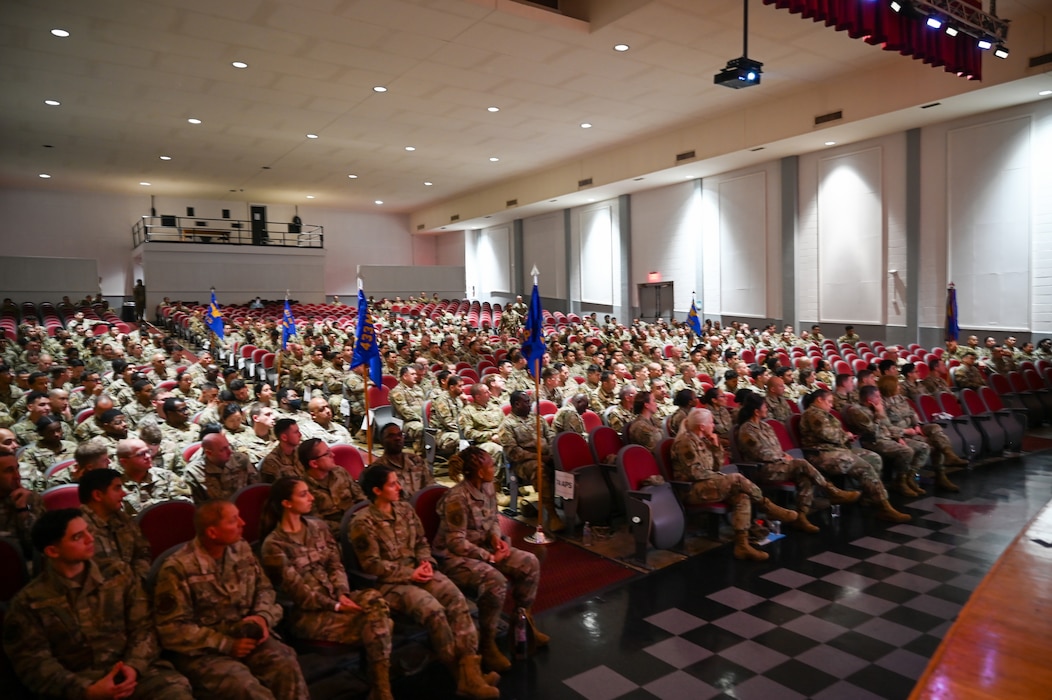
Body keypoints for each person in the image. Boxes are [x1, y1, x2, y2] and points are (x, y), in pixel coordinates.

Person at [4, 509, 194, 699]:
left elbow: (145, 627)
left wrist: (133, 666)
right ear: (52, 551)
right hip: (77, 684)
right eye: (78, 537)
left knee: (174, 692)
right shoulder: (30, 602)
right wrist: (86, 690)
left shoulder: (118, 574)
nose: (90, 539)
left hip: (135, 674)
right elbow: (34, 664)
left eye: (88, 530)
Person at [349, 465, 499, 699]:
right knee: (434, 611)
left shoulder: (405, 510)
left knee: (456, 600)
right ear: (377, 490)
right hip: (392, 584)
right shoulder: (362, 523)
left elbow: (420, 542)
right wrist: (410, 574)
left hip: (419, 571)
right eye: (392, 484)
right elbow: (372, 565)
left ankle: (472, 672)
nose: (400, 487)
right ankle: (459, 676)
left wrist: (426, 562)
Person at [153, 500, 309, 699]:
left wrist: (262, 618)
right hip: (205, 651)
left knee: (285, 663)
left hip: (248, 636)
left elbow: (265, 589)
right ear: (212, 532)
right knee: (245, 687)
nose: (243, 523)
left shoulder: (241, 549)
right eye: (233, 520)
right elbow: (172, 630)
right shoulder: (177, 568)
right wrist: (226, 644)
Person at [260, 477, 394, 700]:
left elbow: (335, 564)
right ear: (287, 503)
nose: (311, 497)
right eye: (303, 494)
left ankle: (381, 690)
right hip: (309, 615)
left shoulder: (318, 527)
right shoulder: (274, 546)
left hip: (339, 599)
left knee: (374, 599)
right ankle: (382, 690)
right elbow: (299, 593)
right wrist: (336, 605)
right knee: (382, 624)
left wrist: (342, 593)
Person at [434, 446, 546, 673]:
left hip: (485, 548)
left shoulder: (487, 487)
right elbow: (456, 543)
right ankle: (487, 642)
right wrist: (490, 557)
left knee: (530, 562)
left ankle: (523, 620)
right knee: (495, 581)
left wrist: (497, 538)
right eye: (490, 464)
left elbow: (494, 518)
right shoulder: (457, 498)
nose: (494, 467)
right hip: (454, 559)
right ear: (477, 470)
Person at [671, 408, 798, 561]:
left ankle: (742, 545)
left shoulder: (703, 440)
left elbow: (715, 467)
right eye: (711, 422)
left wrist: (716, 446)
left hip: (708, 485)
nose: (714, 425)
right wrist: (721, 477)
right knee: (737, 478)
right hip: (691, 490)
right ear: (701, 426)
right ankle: (767, 507)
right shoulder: (685, 442)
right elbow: (695, 473)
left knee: (742, 496)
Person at [734, 393, 860, 533]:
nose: (767, 408)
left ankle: (801, 516)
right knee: (801, 464)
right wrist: (783, 457)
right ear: (756, 411)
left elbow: (776, 448)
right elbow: (760, 453)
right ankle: (830, 490)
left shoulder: (766, 426)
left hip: (778, 465)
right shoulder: (746, 430)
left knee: (805, 476)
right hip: (762, 469)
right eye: (764, 406)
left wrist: (783, 455)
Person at [798, 389, 911, 522]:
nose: (831, 405)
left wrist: (846, 437)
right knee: (864, 467)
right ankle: (884, 507)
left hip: (837, 449)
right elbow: (828, 434)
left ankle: (868, 497)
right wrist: (846, 435)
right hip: (821, 454)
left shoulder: (822, 414)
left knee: (874, 458)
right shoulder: (813, 414)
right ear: (819, 400)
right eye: (828, 402)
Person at [843, 385, 930, 498]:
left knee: (923, 447)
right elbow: (872, 431)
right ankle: (900, 482)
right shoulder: (857, 411)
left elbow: (888, 426)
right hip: (873, 441)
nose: (880, 399)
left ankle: (910, 478)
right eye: (878, 397)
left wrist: (899, 435)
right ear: (870, 400)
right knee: (906, 451)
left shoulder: (875, 407)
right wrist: (879, 414)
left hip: (888, 437)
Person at [77, 467, 153, 580]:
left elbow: (143, 552)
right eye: (117, 489)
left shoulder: (122, 518)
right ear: (97, 495)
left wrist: (136, 580)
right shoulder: (77, 528)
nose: (123, 494)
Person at [298, 437, 365, 536]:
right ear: (314, 463)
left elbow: (360, 498)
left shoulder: (340, 472)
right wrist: (350, 526)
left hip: (358, 524)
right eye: (327, 454)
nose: (333, 455)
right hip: (330, 536)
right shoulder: (303, 489)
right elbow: (316, 523)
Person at [183, 432, 259, 503]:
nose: (230, 452)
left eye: (228, 446)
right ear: (209, 453)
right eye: (223, 449)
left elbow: (256, 488)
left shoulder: (240, 460)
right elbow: (197, 505)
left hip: (244, 505)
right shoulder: (194, 472)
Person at [369, 422, 435, 500]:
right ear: (382, 442)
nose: (397, 438)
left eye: (400, 435)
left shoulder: (416, 460)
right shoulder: (378, 468)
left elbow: (431, 485)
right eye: (391, 436)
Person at [0, 444, 44, 555]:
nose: (17, 476)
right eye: (9, 471)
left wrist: (23, 511)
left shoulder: (30, 498)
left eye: (17, 468)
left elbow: (35, 547)